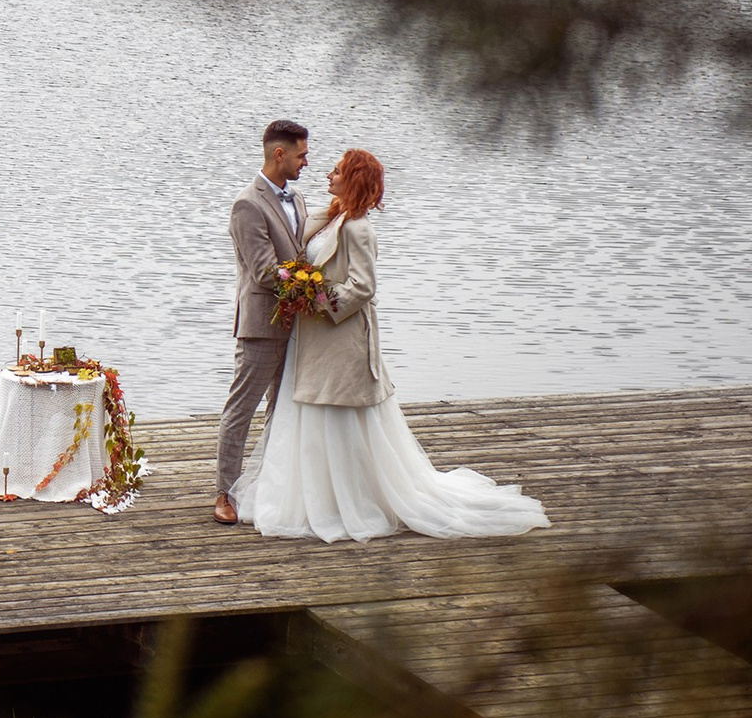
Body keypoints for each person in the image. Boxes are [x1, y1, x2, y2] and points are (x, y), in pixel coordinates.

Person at [228, 148, 549, 541]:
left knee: (337, 414)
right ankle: (311, 495)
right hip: (310, 340)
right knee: (305, 412)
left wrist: (317, 299)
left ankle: (348, 500)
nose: (327, 174)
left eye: (337, 171)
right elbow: (295, 258)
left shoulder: (358, 228)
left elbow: (363, 286)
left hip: (338, 337)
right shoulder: (329, 217)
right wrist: (300, 288)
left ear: (354, 180)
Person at [212, 120, 309, 524]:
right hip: (260, 325)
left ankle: (266, 488)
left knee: (282, 409)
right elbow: (266, 271)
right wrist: (314, 293)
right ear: (278, 154)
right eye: (301, 155)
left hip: (299, 328)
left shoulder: (299, 199)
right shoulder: (247, 204)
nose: (306, 162)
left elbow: (301, 252)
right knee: (242, 409)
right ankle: (224, 494)